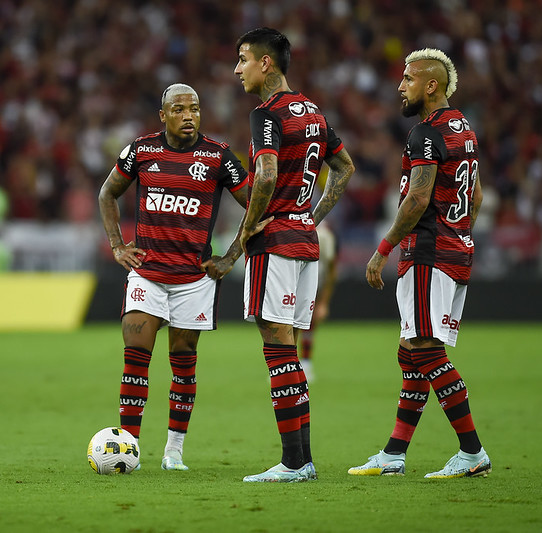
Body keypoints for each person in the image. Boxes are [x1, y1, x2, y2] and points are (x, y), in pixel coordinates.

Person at [348, 48, 490, 479]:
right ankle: (394, 453)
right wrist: (461, 234)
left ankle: (472, 452)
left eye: (408, 79)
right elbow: (477, 195)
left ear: (432, 86)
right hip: (453, 249)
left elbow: (417, 198)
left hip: (429, 252)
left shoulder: (425, 133)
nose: (400, 86)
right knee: (411, 350)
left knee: (425, 349)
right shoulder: (462, 127)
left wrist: (383, 248)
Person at [98, 83, 249, 471]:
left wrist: (231, 255)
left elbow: (257, 204)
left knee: (184, 362)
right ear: (163, 115)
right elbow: (107, 194)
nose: (188, 116)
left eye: (194, 109)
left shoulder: (218, 157)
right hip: (147, 274)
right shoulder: (141, 150)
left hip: (193, 280)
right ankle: (128, 449)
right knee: (135, 358)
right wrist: (117, 245)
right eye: (179, 109)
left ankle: (173, 452)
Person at [234, 27, 356, 482]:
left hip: (277, 245)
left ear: (267, 64)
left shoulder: (265, 114)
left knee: (278, 353)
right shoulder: (313, 112)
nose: (237, 68)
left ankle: (293, 462)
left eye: (243, 58)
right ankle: (301, 461)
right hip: (304, 243)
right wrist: (312, 216)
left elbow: (264, 176)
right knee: (289, 355)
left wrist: (248, 229)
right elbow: (344, 169)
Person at [298, 222, 339, 381]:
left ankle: (305, 364)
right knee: (289, 324)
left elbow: (331, 270)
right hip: (295, 281)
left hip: (314, 284)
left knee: (309, 325)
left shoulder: (324, 236)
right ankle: (289, 366)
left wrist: (323, 302)